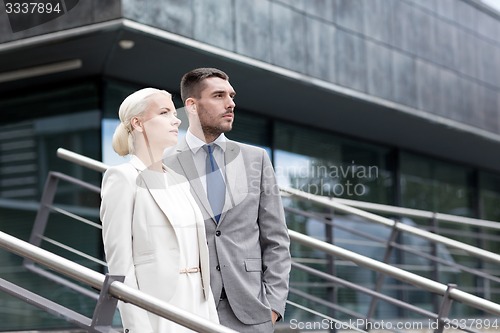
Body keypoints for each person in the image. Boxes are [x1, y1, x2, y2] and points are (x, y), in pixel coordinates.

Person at [164, 68, 291, 333]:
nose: (231, 103)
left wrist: (274, 305)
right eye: (219, 95)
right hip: (186, 310)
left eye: (231, 96)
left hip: (252, 312)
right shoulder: (165, 163)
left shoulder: (256, 159)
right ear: (192, 105)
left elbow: (277, 239)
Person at [100, 88, 219, 332]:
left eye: (174, 113)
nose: (176, 120)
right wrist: (138, 326)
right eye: (164, 112)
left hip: (199, 306)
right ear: (138, 123)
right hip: (157, 310)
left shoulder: (179, 181)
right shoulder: (122, 177)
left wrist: (210, 315)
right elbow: (120, 265)